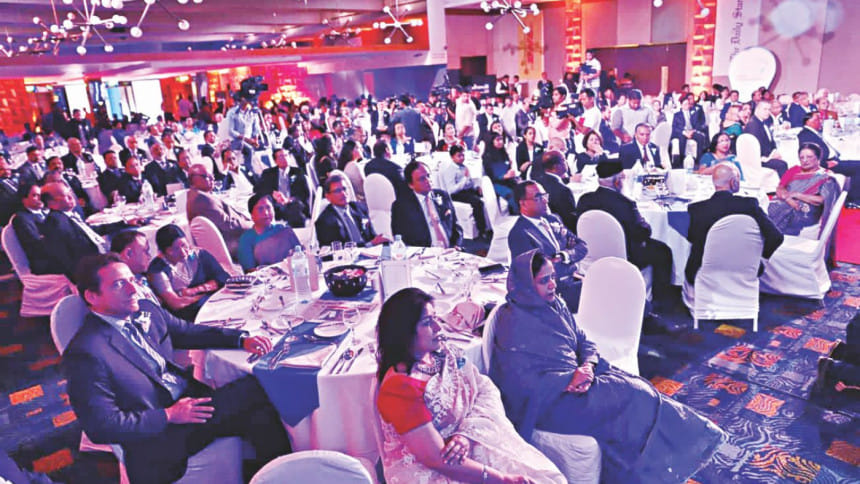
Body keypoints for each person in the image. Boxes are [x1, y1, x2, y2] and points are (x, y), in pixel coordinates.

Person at [490, 250, 726, 484]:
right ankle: (674, 454)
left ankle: (673, 456)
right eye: (544, 280)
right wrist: (568, 380)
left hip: (580, 382)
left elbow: (583, 341)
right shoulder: (513, 322)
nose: (553, 284)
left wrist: (588, 366)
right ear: (525, 285)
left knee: (639, 391)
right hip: (550, 403)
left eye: (552, 276)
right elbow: (518, 384)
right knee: (635, 396)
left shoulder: (555, 305)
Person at [64, 253, 289, 484]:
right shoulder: (87, 353)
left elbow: (187, 332)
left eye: (132, 280)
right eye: (119, 284)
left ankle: (277, 476)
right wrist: (169, 415)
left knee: (260, 415)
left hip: (190, 400)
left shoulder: (145, 309)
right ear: (92, 296)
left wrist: (240, 339)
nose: (133, 290)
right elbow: (101, 426)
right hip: (161, 436)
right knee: (259, 387)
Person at [375, 287, 565, 484]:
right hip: (433, 469)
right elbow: (436, 459)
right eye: (427, 322)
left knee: (548, 478)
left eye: (436, 318)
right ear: (404, 333)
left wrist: (465, 435)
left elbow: (484, 388)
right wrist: (502, 479)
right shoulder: (400, 389)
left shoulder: (441, 354)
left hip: (467, 443)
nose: (438, 327)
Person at [577, 162, 674, 313]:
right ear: (617, 181)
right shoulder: (625, 203)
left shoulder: (585, 199)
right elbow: (642, 232)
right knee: (663, 251)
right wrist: (644, 223)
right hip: (627, 254)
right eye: (623, 178)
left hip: (591, 253)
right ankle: (661, 303)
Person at [685, 163, 783, 285]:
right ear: (733, 182)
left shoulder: (696, 209)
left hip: (703, 274)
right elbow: (776, 237)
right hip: (743, 271)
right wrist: (759, 259)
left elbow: (692, 238)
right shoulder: (749, 205)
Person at [507, 180, 587, 311]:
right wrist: (569, 267)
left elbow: (582, 246)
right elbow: (535, 275)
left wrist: (563, 255)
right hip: (556, 293)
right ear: (523, 203)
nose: (545, 200)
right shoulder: (520, 233)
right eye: (538, 197)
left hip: (575, 279)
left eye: (545, 195)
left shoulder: (553, 219)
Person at [147, 224, 229, 320]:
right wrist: (207, 296)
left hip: (213, 303)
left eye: (184, 245)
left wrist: (195, 290)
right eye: (175, 249)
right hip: (187, 316)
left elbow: (223, 277)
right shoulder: (157, 270)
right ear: (165, 251)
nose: (183, 252)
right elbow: (176, 304)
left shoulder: (199, 255)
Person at [767, 143, 840, 236]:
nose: (805, 160)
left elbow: (822, 200)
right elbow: (780, 188)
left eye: (809, 157)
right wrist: (788, 199)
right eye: (802, 157)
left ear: (818, 158)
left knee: (784, 213)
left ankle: (776, 237)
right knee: (768, 210)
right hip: (785, 202)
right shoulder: (794, 170)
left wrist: (797, 195)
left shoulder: (825, 176)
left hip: (807, 210)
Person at [40, 181, 107, 279]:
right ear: (52, 203)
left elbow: (89, 231)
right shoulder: (55, 223)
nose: (71, 197)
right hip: (92, 267)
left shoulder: (68, 214)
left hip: (98, 255)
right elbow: (67, 259)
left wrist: (123, 223)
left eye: (70, 193)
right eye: (65, 196)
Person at [391, 161, 463, 248]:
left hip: (451, 251)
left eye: (428, 176)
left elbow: (456, 227)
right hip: (423, 253)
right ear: (411, 185)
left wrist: (456, 245)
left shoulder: (443, 196)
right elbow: (400, 238)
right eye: (422, 179)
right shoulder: (401, 207)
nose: (428, 181)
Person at [186, 164, 253, 257]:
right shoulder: (202, 199)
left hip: (231, 237)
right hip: (232, 242)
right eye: (206, 176)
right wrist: (252, 224)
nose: (212, 178)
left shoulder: (195, 194)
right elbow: (228, 225)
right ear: (193, 179)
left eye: (212, 175)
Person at [797, 111, 860, 204]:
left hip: (832, 160)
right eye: (817, 119)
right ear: (808, 121)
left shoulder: (812, 132)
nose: (820, 121)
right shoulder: (805, 135)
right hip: (826, 164)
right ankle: (853, 200)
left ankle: (852, 197)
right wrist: (825, 164)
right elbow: (809, 155)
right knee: (858, 167)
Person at [315, 174, 387, 248]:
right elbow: (336, 250)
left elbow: (372, 236)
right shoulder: (325, 221)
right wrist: (369, 244)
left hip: (372, 251)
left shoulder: (359, 208)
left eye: (344, 189)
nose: (343, 193)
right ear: (328, 197)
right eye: (337, 191)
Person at [237, 193, 301, 272]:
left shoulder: (284, 231)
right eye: (260, 209)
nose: (266, 213)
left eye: (268, 207)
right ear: (252, 215)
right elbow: (250, 271)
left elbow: (301, 256)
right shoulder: (246, 239)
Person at [439, 145, 490, 239]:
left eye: (463, 155)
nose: (462, 158)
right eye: (459, 156)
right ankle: (482, 231)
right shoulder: (450, 170)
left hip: (467, 191)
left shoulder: (464, 167)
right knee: (478, 203)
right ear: (452, 157)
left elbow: (469, 182)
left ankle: (490, 227)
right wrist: (465, 179)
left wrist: (476, 187)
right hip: (456, 194)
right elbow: (451, 190)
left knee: (487, 195)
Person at [254, 148, 310, 228]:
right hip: (275, 205)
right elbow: (258, 189)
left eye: (286, 155)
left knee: (295, 209)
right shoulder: (268, 173)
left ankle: (297, 231)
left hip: (293, 203)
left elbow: (304, 192)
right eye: (281, 156)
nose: (285, 158)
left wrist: (289, 200)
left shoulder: (298, 172)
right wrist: (272, 194)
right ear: (275, 161)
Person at [11, 182, 53, 275]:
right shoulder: (21, 219)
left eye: (40, 195)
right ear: (24, 199)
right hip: (45, 262)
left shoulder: (48, 212)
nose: (40, 198)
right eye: (35, 195)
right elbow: (37, 245)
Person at [110, 229, 159, 302]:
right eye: (145, 251)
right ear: (128, 254)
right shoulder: (121, 289)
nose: (149, 256)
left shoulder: (141, 279)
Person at [743, 101, 788, 178]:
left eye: (769, 109)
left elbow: (770, 141)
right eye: (765, 109)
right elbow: (756, 146)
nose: (767, 112)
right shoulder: (753, 125)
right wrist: (771, 156)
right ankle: (784, 185)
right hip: (757, 159)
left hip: (765, 155)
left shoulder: (762, 122)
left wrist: (774, 151)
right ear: (757, 110)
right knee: (782, 165)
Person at [537, 150, 577, 232]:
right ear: (556, 166)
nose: (566, 162)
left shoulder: (538, 182)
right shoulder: (563, 190)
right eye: (564, 160)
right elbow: (571, 221)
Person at [483, 133, 519, 215]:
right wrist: (504, 176)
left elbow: (508, 169)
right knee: (510, 193)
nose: (500, 142)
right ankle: (516, 213)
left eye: (501, 139)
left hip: (508, 180)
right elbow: (491, 176)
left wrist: (511, 173)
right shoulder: (487, 157)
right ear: (492, 141)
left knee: (521, 189)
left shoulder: (504, 154)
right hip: (496, 183)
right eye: (497, 140)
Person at [670, 94, 708, 164]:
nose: (687, 106)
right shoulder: (677, 115)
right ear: (681, 105)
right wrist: (684, 132)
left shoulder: (693, 113)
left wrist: (693, 131)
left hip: (691, 131)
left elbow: (697, 124)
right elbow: (674, 127)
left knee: (700, 137)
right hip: (682, 132)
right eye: (685, 104)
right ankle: (681, 159)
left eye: (688, 104)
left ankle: (698, 160)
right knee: (682, 138)